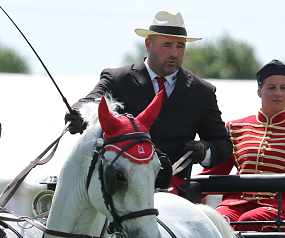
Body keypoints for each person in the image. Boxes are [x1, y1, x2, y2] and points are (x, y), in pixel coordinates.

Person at [65, 10, 231, 190]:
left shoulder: (202, 91)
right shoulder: (117, 79)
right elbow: (90, 102)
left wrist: (204, 151)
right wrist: (79, 115)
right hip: (119, 185)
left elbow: (223, 144)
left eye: (180, 46)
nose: (174, 53)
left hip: (172, 188)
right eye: (167, 45)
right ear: (148, 44)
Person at [199, 60, 285, 230]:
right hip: (237, 204)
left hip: (281, 209)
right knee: (215, 223)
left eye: (284, 87)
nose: (278, 93)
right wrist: (178, 194)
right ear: (259, 91)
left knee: (249, 221)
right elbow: (214, 172)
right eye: (271, 87)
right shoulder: (234, 128)